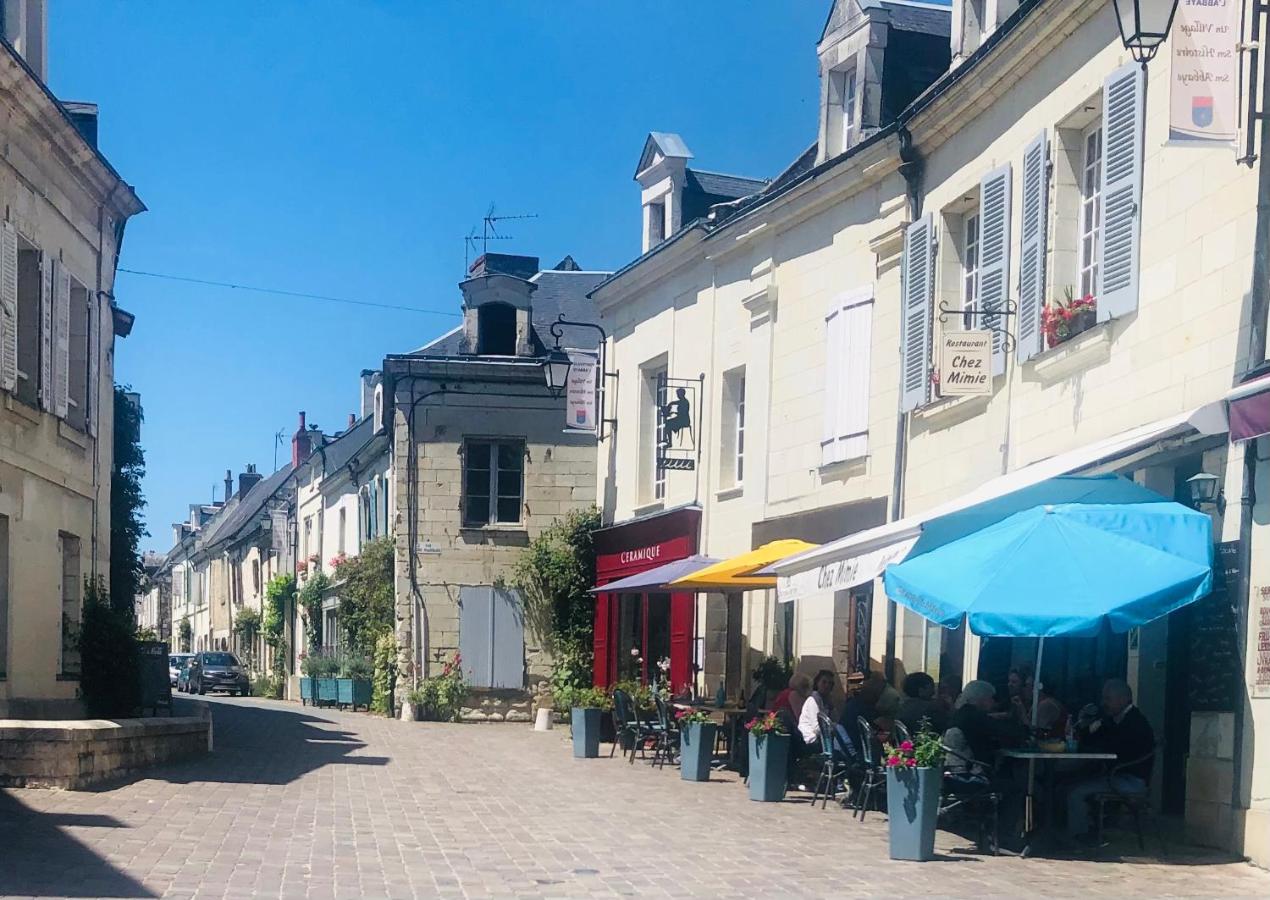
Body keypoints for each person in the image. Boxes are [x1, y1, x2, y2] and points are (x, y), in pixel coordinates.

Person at [1064, 679, 1156, 841]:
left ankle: (1081, 837)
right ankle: (1086, 830)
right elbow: (1091, 740)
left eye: (1108, 699)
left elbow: (1111, 748)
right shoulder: (1113, 719)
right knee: (1067, 784)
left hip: (1130, 780)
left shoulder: (1134, 723)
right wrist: (1084, 726)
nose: (1103, 703)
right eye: (1103, 698)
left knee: (1075, 793)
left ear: (1123, 699)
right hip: (1115, 775)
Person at [798, 670, 836, 747]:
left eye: (830, 683)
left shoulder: (826, 700)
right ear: (817, 683)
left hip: (823, 738)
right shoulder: (813, 700)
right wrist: (834, 728)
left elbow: (837, 720)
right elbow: (817, 728)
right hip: (810, 739)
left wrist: (832, 707)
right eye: (824, 682)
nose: (827, 685)